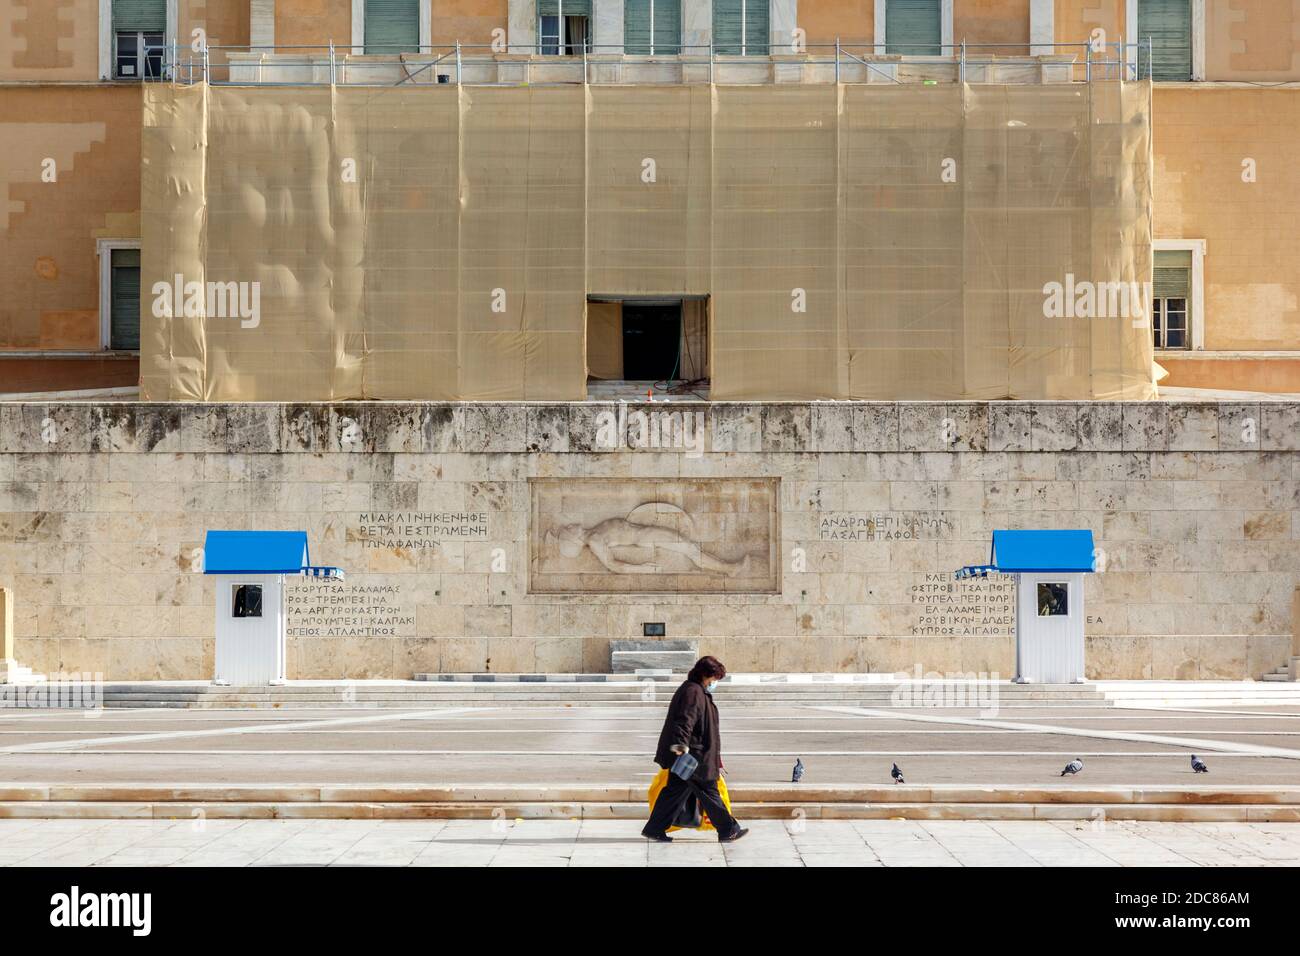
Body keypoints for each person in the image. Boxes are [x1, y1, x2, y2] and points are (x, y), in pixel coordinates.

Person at [642, 656, 749, 843]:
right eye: (713, 678)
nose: (714, 682)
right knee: (709, 790)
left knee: (674, 791)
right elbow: (684, 721)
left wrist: (716, 759)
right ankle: (728, 829)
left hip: (692, 755)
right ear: (704, 674)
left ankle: (655, 828)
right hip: (693, 756)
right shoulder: (693, 692)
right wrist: (681, 748)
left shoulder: (696, 690)